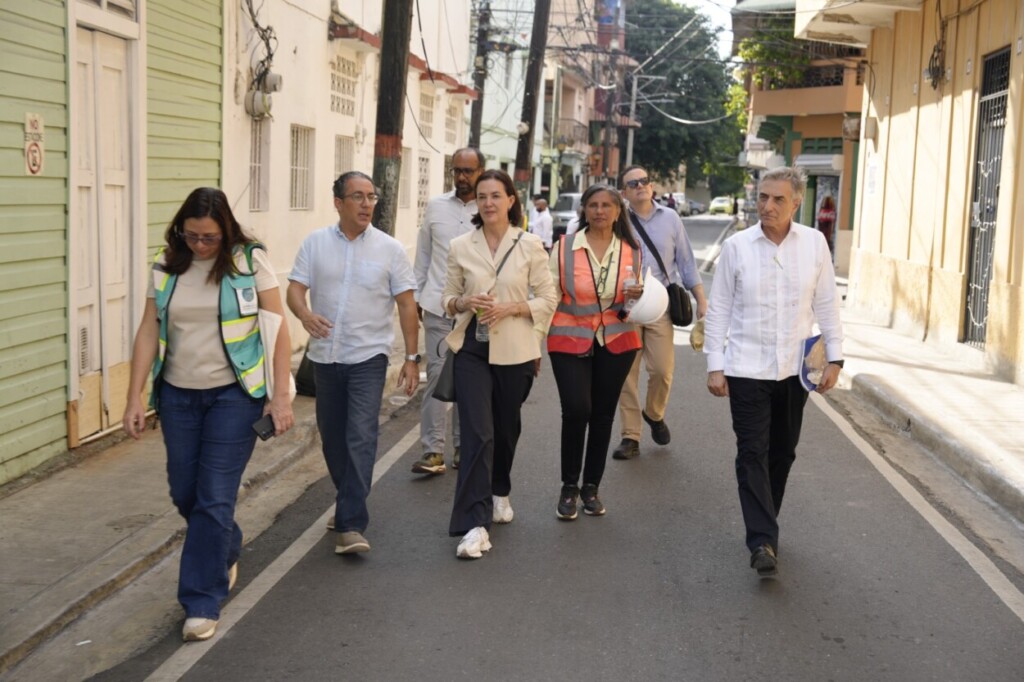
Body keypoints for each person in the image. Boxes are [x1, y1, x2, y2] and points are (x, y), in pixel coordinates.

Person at [122, 187, 295, 642]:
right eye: (192, 236)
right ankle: (226, 545)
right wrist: (134, 395)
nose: (200, 246)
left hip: (233, 397)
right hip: (178, 397)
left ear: (226, 231)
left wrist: (280, 398)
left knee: (214, 497)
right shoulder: (165, 266)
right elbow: (148, 329)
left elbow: (277, 331)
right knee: (186, 494)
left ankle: (201, 600)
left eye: (210, 238)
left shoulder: (248, 262)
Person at [704, 166, 844, 578]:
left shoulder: (815, 244)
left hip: (793, 370)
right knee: (751, 452)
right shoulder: (737, 247)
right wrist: (716, 364)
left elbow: (826, 306)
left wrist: (835, 359)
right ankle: (762, 539)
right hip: (746, 367)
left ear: (797, 202)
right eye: (763, 197)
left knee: (782, 452)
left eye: (778, 199)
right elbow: (721, 310)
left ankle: (766, 520)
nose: (767, 206)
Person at [286, 171, 419, 555]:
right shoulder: (315, 244)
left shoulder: (390, 249)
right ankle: (348, 498)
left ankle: (350, 524)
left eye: (371, 197)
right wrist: (305, 315)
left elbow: (407, 304)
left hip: (368, 357)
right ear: (338, 202)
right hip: (325, 358)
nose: (366, 204)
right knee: (331, 438)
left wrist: (411, 359)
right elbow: (295, 289)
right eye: (357, 197)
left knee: (360, 435)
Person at [442, 169, 557, 559]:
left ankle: (500, 489)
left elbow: (548, 298)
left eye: (496, 195)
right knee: (478, 432)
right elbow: (447, 297)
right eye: (482, 196)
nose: (488, 202)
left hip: (517, 350)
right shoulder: (460, 245)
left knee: (505, 430)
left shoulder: (530, 245)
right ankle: (475, 525)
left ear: (511, 200)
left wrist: (513, 307)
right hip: (472, 348)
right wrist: (464, 303)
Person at [547, 184, 643, 520]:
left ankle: (591, 488)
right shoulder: (564, 248)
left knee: (603, 416)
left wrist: (635, 298)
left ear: (618, 211)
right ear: (584, 210)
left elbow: (634, 306)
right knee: (576, 410)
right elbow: (549, 296)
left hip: (616, 340)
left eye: (606, 205)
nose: (600, 211)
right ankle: (569, 486)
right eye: (593, 205)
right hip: (569, 338)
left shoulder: (632, 250)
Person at [612, 165, 708, 461]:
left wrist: (701, 301)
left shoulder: (670, 219)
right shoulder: (617, 220)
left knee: (662, 371)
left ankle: (654, 414)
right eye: (633, 183)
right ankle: (630, 435)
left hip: (659, 305)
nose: (640, 186)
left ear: (651, 186)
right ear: (624, 192)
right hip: (625, 306)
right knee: (627, 374)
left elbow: (687, 263)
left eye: (644, 181)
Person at [410, 148, 484, 475]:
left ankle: (462, 445)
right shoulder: (436, 206)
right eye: (457, 171)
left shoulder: (491, 206)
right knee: (438, 376)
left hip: (476, 312)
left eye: (468, 171)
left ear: (481, 171)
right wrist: (416, 293)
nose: (462, 177)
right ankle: (432, 451)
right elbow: (424, 252)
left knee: (469, 382)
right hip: (438, 307)